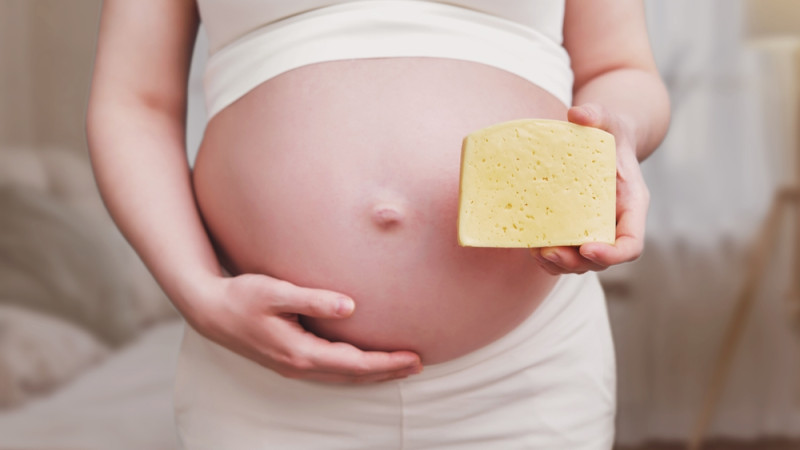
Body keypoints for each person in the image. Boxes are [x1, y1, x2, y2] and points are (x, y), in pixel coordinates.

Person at [86, 0, 670, 448]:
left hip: (526, 369)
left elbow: (622, 68)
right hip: (262, 384)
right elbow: (134, 101)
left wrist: (613, 138)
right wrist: (198, 294)